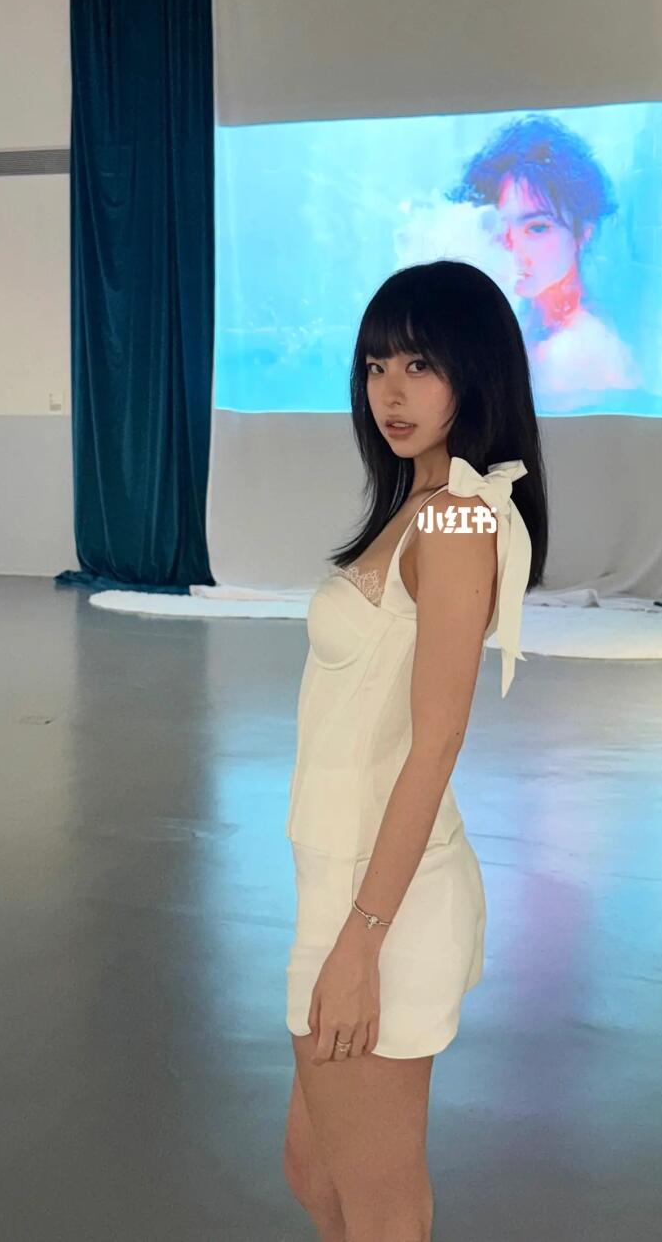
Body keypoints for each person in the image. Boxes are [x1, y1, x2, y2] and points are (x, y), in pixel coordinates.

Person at [282, 260, 548, 1242]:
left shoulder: (457, 515)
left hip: (380, 899)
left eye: (420, 365)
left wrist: (361, 941)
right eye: (375, 365)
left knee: (381, 1207)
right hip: (341, 876)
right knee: (313, 1164)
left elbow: (437, 743)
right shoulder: (419, 501)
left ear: (474, 373)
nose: (390, 391)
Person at [450, 113, 645, 410]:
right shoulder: (529, 319)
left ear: (583, 233)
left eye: (537, 228)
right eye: (499, 227)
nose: (512, 248)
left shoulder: (575, 352)